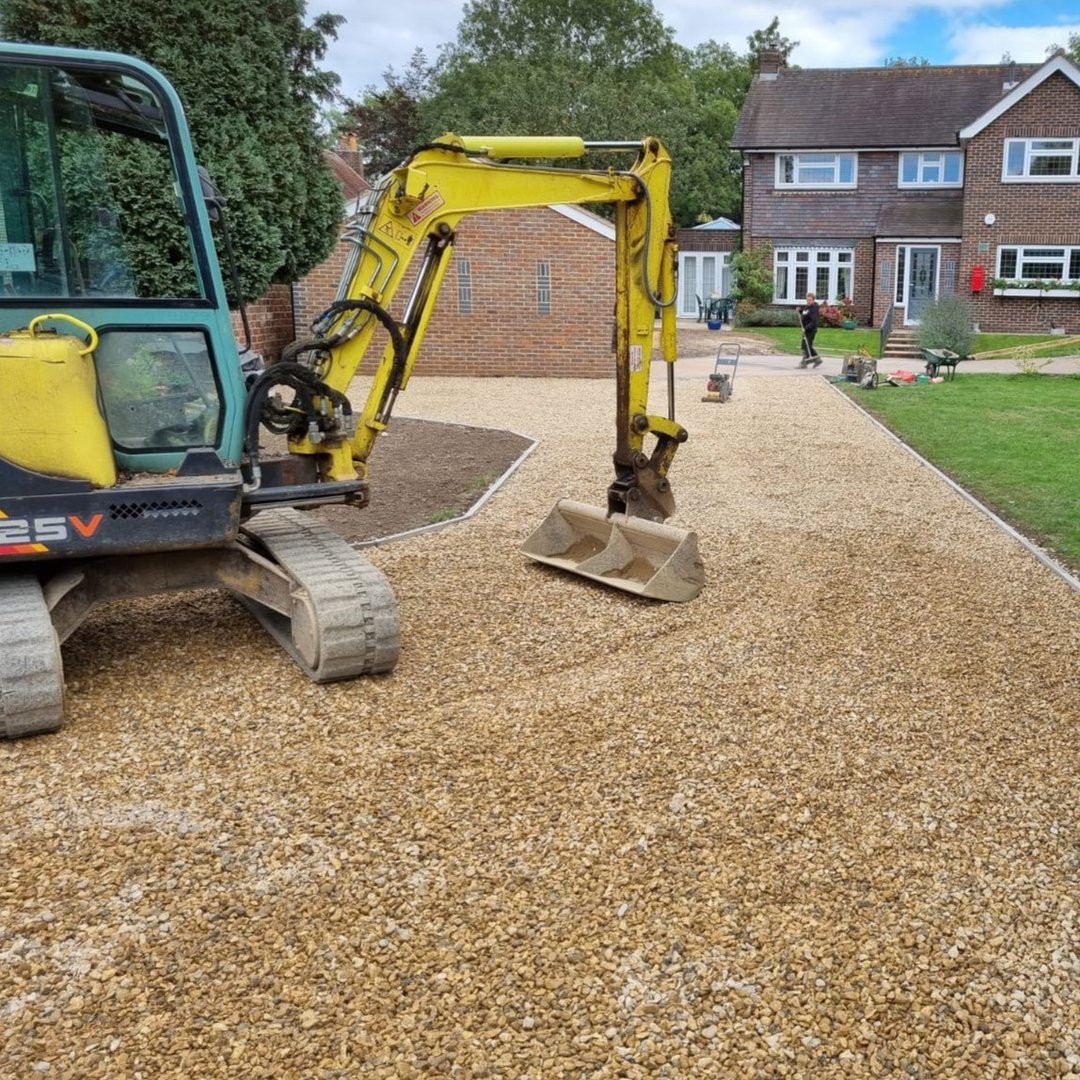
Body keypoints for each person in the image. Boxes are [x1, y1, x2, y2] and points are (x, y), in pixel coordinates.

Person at [798, 293, 821, 367]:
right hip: (806, 330)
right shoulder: (807, 307)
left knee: (806, 345)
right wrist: (800, 310)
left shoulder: (814, 309)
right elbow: (805, 313)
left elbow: (813, 321)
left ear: (813, 300)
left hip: (811, 330)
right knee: (806, 345)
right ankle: (817, 359)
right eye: (807, 300)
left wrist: (806, 328)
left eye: (810, 300)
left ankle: (804, 362)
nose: (808, 301)